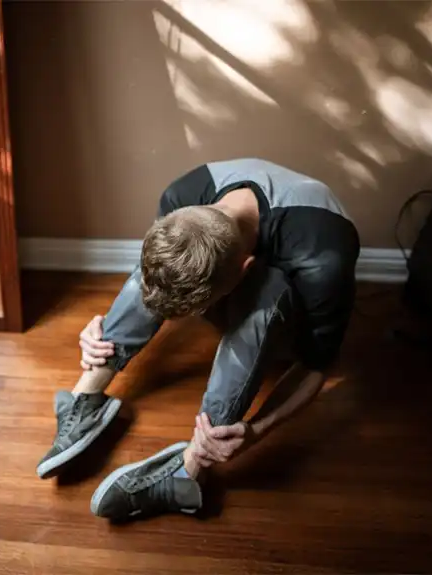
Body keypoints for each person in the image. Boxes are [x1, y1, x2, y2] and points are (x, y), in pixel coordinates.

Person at [36, 158, 360, 521]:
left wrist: (255, 431)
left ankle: (188, 472)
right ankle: (86, 395)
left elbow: (316, 366)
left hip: (289, 311)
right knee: (166, 263)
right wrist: (99, 330)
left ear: (244, 269)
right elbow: (155, 273)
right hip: (230, 251)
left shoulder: (324, 257)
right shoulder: (180, 197)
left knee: (266, 298)